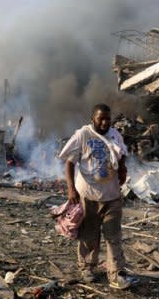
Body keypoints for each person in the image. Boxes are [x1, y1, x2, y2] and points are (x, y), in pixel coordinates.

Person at [59, 103, 133, 290]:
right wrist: (70, 189)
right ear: (93, 118)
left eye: (108, 118)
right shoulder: (83, 135)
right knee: (89, 235)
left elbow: (122, 152)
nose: (105, 122)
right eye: (101, 118)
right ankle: (87, 268)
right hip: (89, 196)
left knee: (113, 236)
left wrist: (123, 168)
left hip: (112, 196)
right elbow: (69, 163)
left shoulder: (115, 135)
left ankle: (116, 274)